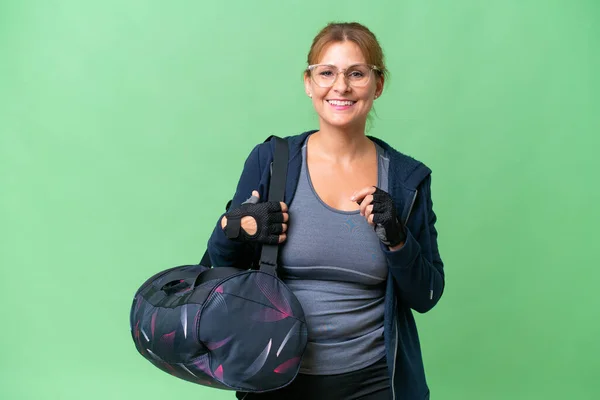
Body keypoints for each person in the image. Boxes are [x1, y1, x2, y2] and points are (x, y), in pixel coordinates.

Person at [207, 22, 445, 400]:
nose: (341, 87)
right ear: (309, 82)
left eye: (357, 73)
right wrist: (232, 228)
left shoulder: (405, 179)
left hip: (376, 383)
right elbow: (216, 272)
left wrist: (398, 241)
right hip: (277, 379)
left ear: (377, 85)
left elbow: (427, 295)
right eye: (327, 73)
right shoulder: (271, 162)